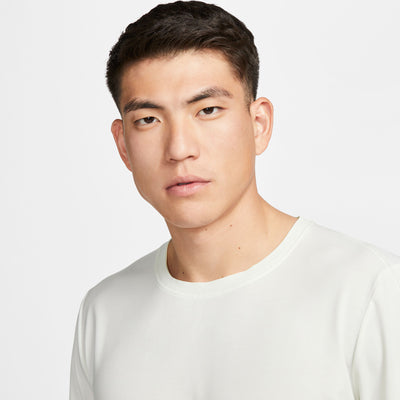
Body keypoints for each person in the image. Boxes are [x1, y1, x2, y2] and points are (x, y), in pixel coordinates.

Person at [69, 1, 400, 399]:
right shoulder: (105, 312)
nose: (179, 149)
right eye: (149, 120)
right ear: (123, 145)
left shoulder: (369, 289)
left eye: (207, 110)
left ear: (259, 125)